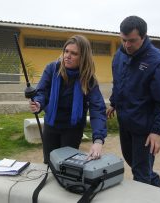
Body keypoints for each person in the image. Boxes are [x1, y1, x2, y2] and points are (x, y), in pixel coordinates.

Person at [107, 16, 160, 189]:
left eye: (132, 41)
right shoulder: (120, 56)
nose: (127, 45)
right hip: (126, 122)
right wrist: (114, 102)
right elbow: (118, 82)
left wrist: (157, 131)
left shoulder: (157, 62)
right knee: (132, 161)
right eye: (123, 40)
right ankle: (157, 184)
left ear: (144, 37)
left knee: (140, 173)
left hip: (145, 128)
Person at [29, 35, 107, 164]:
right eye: (66, 51)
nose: (67, 56)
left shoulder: (88, 79)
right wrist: (38, 102)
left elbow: (97, 108)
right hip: (51, 124)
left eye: (74, 53)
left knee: (67, 166)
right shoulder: (51, 69)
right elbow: (42, 91)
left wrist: (98, 140)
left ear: (83, 57)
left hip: (73, 128)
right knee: (49, 163)